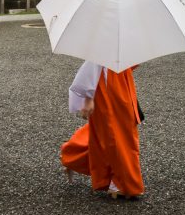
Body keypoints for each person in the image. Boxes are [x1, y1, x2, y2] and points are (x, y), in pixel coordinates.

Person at [61, 61, 144, 199]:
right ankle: (121, 183)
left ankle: (71, 156)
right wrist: (88, 98)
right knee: (114, 136)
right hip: (107, 87)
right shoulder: (102, 43)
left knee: (117, 134)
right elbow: (92, 64)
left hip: (121, 83)